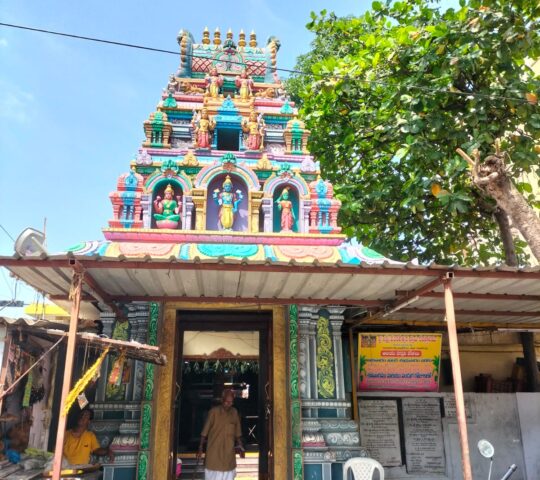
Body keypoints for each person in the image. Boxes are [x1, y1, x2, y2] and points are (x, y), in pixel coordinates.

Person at [197, 390, 244, 480]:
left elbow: (237, 432)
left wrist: (241, 447)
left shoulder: (234, 412)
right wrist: (200, 447)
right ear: (222, 400)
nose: (229, 404)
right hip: (214, 453)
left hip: (228, 454)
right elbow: (204, 432)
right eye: (227, 402)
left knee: (228, 475)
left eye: (231, 402)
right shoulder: (213, 412)